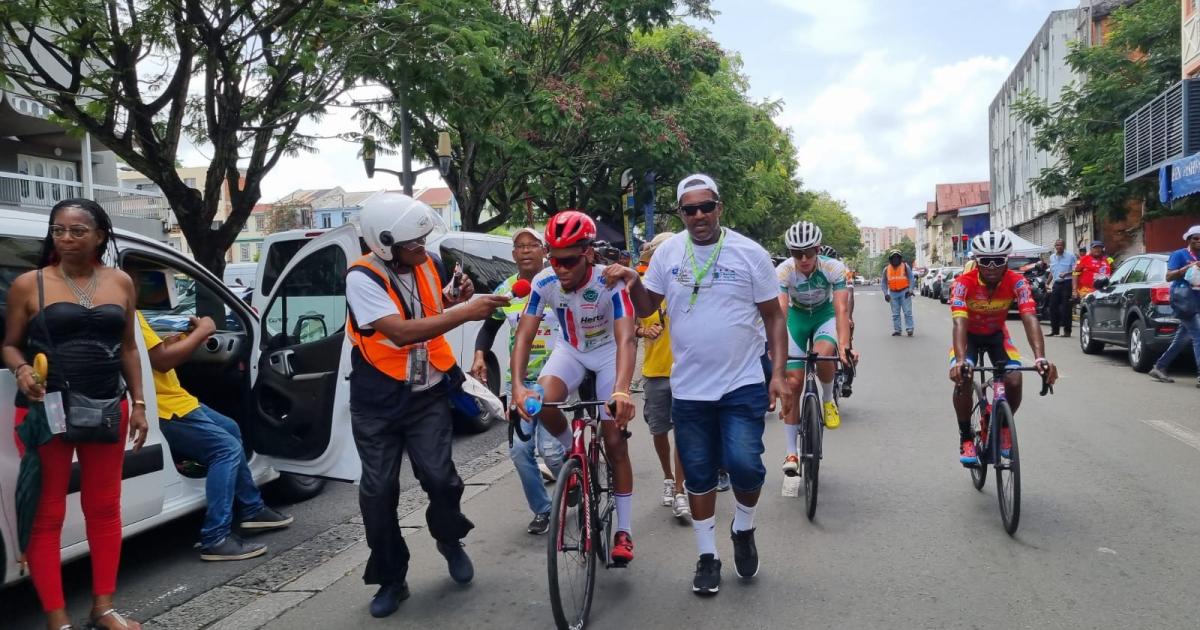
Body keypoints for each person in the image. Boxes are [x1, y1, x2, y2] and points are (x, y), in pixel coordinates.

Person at [610, 173, 790, 596]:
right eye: (689, 210)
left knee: (746, 464)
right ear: (681, 214)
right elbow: (649, 307)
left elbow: (774, 317)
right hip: (688, 388)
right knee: (698, 474)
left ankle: (743, 529)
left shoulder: (750, 253)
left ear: (719, 208)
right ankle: (707, 554)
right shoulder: (667, 253)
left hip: (742, 382)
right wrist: (634, 283)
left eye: (705, 206)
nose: (698, 215)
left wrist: (778, 374)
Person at [345, 193, 509, 618]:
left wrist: (457, 298)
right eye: (414, 243)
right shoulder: (362, 278)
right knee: (378, 494)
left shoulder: (425, 265)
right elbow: (399, 332)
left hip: (428, 394)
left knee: (442, 480)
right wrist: (466, 313)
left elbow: (433, 307)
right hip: (377, 403)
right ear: (384, 244)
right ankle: (390, 579)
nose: (423, 248)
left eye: (423, 240)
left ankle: (448, 538)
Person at [3, 198, 150, 630]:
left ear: (99, 235)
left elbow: (127, 347)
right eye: (58, 230)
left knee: (104, 508)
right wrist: (23, 367)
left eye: (77, 231)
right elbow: (9, 343)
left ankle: (103, 608)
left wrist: (139, 404)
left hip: (106, 406)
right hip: (45, 411)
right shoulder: (29, 285)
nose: (66, 238)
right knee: (47, 514)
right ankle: (57, 618)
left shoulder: (121, 282)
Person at [511, 210, 639, 563]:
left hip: (609, 353)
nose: (560, 268)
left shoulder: (609, 283)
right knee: (542, 404)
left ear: (587, 253)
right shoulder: (544, 282)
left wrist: (622, 391)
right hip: (570, 350)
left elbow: (627, 338)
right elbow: (524, 335)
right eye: (554, 260)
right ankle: (573, 454)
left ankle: (624, 531)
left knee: (614, 439)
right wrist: (520, 387)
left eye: (568, 260)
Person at [136, 309, 292, 561]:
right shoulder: (126, 310)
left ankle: (252, 509)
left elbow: (151, 356)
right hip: (163, 407)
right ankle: (215, 537)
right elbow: (163, 361)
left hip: (174, 399)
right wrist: (203, 331)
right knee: (226, 449)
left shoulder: (127, 310)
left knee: (230, 428)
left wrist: (180, 341)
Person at [471, 228, 565, 535]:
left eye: (532, 245)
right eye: (519, 247)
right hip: (520, 383)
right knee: (521, 452)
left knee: (550, 451)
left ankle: (573, 480)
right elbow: (489, 327)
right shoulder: (510, 289)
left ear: (544, 250)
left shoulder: (560, 281)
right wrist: (480, 355)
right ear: (513, 255)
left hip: (557, 377)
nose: (525, 251)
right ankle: (543, 509)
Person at [949, 231, 1057, 464]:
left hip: (997, 336)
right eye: (985, 261)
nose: (991, 267)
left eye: (997, 260)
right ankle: (966, 437)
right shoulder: (962, 284)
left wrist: (1040, 358)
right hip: (968, 337)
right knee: (964, 378)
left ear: (1006, 260)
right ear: (976, 261)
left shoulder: (1018, 281)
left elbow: (1029, 317)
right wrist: (960, 361)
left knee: (1015, 380)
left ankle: (1004, 428)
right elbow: (959, 322)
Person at [776, 222, 855, 483]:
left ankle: (828, 398)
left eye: (809, 252)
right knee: (793, 383)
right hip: (796, 320)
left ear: (818, 249)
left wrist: (844, 344)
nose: (803, 259)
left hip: (824, 316)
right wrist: (775, 349)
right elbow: (781, 313)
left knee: (823, 355)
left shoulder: (833, 268)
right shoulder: (784, 271)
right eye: (797, 253)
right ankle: (791, 454)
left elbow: (842, 309)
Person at [634, 232, 689, 519]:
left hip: (686, 370)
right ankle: (668, 477)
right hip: (655, 372)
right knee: (658, 430)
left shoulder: (688, 283)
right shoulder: (641, 288)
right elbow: (625, 326)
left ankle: (680, 489)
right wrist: (643, 330)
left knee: (682, 431)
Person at [1148, 225, 1200, 387]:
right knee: (1198, 334)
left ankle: (1160, 366)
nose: (1199, 241)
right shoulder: (1179, 255)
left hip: (1198, 300)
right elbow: (1169, 276)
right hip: (1184, 300)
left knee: (1183, 337)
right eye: (1195, 238)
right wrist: (1188, 268)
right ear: (1188, 240)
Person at [1045, 239, 1077, 337]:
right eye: (1057, 245)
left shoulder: (1071, 256)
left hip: (1067, 283)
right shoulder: (1052, 257)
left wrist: (1066, 273)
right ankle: (1054, 330)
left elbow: (1076, 271)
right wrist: (1047, 282)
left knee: (1066, 308)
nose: (1059, 247)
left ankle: (1067, 331)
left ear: (1064, 246)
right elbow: (1052, 271)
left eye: (1061, 245)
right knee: (1053, 307)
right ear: (1055, 246)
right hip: (1056, 284)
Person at [881, 249, 915, 336]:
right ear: (890, 259)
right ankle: (897, 330)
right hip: (893, 293)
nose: (895, 259)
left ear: (900, 258)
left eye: (897, 257)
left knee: (907, 312)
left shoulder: (905, 267)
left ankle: (910, 328)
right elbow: (883, 282)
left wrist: (910, 290)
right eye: (893, 258)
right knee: (895, 313)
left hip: (905, 292)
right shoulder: (886, 269)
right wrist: (886, 294)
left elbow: (911, 278)